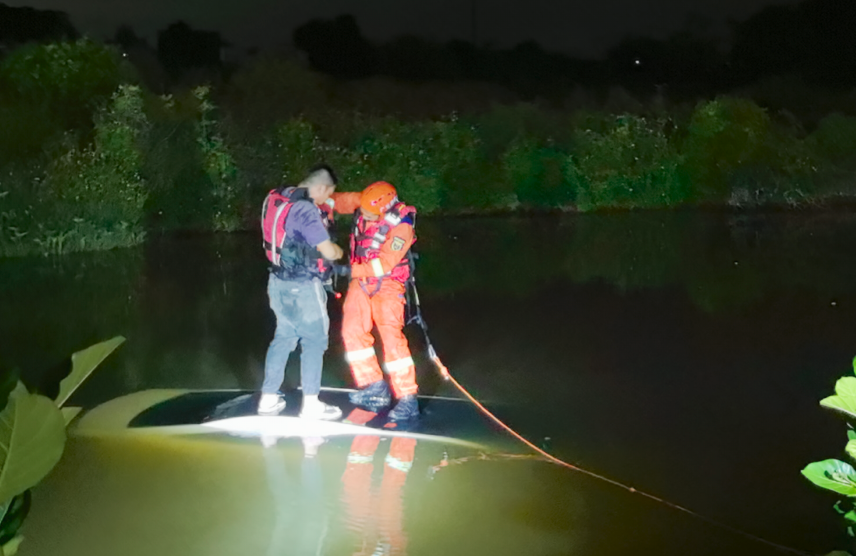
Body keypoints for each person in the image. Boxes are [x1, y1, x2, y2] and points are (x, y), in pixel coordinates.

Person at [258, 165, 345, 419]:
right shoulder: (305, 210)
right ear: (322, 188)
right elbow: (328, 252)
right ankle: (311, 404)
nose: (326, 200)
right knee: (314, 341)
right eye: (328, 194)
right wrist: (339, 252)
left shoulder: (275, 197)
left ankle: (268, 399)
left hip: (276, 281)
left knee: (283, 336)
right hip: (304, 286)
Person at [329, 182, 420, 422]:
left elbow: (385, 264)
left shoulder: (402, 226)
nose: (363, 214)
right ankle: (374, 388)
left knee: (392, 340)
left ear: (385, 208)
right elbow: (335, 200)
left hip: (388, 284)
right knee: (352, 331)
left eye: (369, 213)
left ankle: (407, 398)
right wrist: (310, 198)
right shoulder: (366, 202)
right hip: (361, 281)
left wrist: (348, 270)